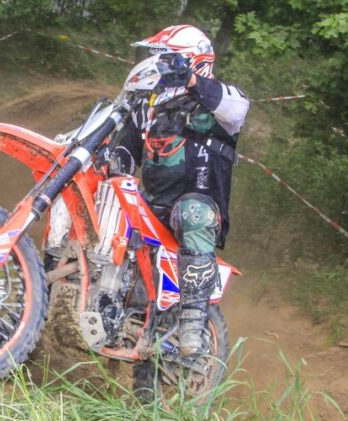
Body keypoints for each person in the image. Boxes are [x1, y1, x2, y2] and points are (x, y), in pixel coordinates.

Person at [118, 24, 249, 356]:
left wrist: (189, 80)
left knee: (193, 211)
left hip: (197, 205)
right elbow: (124, 154)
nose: (159, 65)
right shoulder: (150, 105)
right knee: (109, 197)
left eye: (169, 59)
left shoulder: (224, 102)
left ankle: (193, 321)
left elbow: (238, 109)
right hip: (151, 207)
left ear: (194, 61)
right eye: (159, 58)